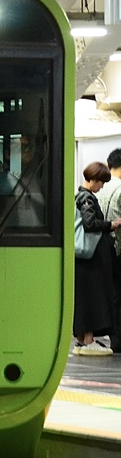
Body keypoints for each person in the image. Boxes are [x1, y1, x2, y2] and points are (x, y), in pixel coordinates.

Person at [74, 161, 121, 356]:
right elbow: (90, 223)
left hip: (87, 257)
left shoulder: (79, 195)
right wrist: (111, 224)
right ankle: (89, 339)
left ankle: (82, 338)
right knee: (92, 298)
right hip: (90, 257)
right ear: (92, 179)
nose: (101, 187)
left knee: (85, 297)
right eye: (100, 182)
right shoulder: (86, 198)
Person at [100, 148, 121, 351]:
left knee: (112, 294)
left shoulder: (101, 187)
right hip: (118, 248)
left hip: (103, 248)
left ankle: (114, 338)